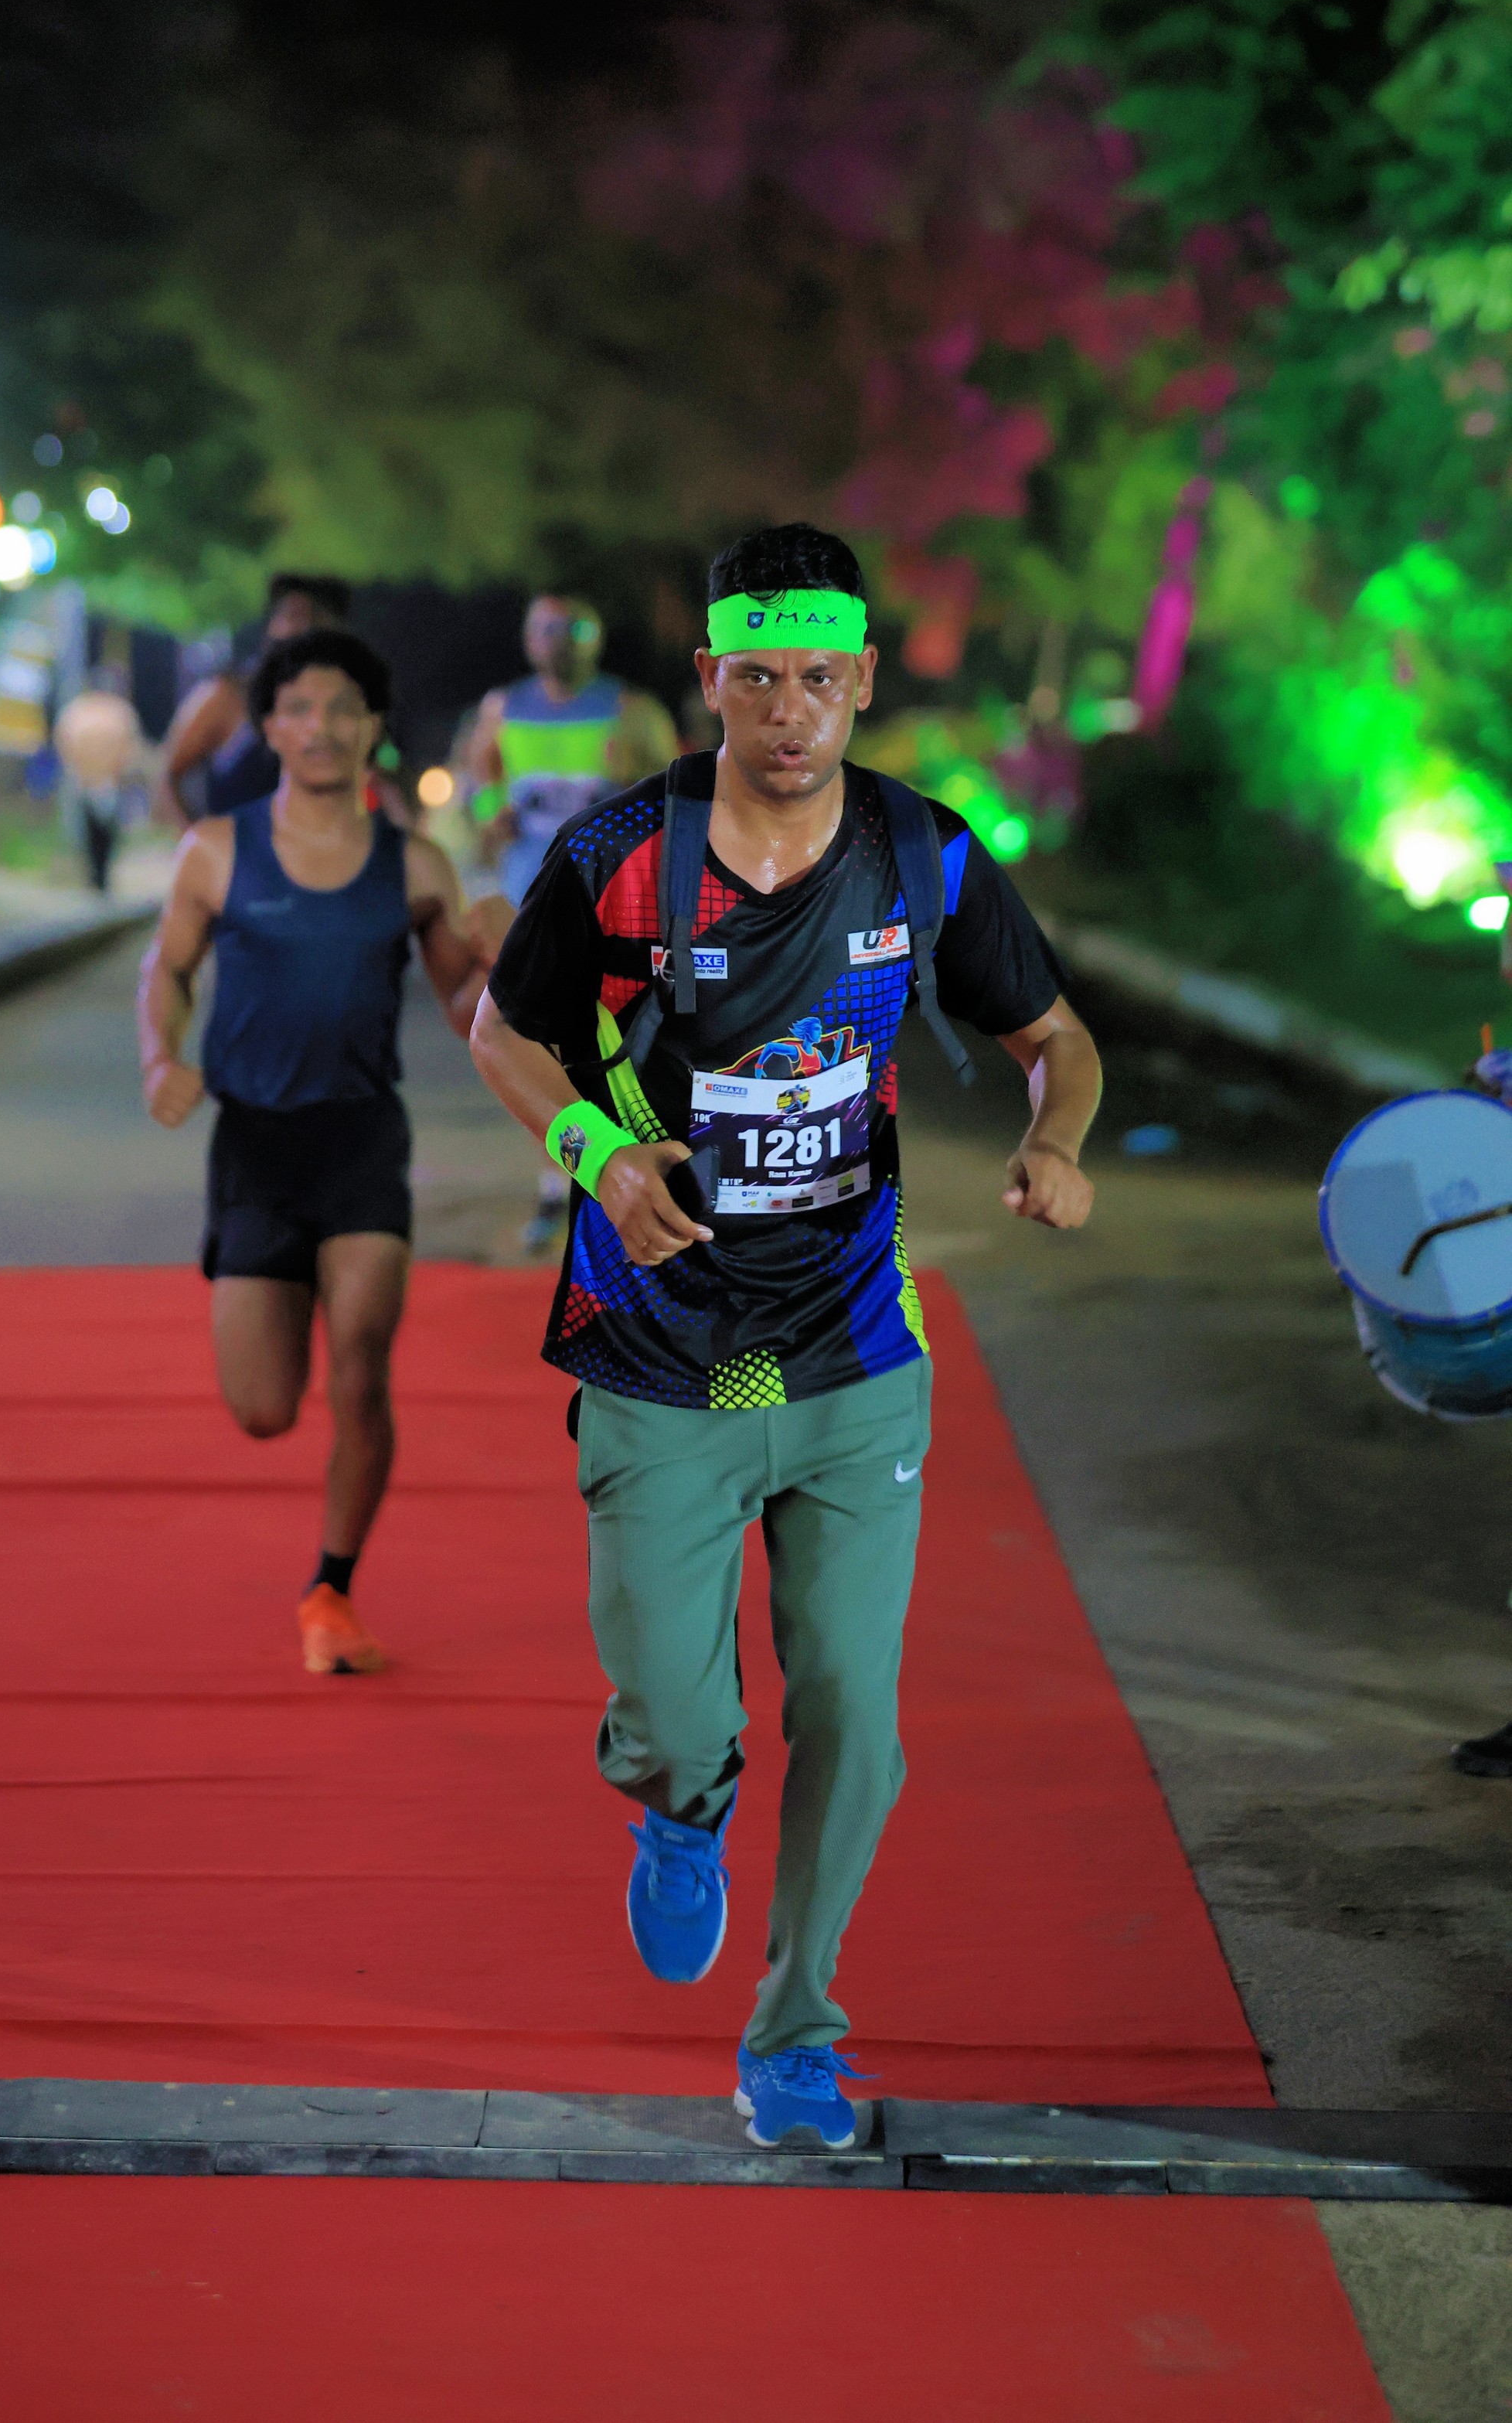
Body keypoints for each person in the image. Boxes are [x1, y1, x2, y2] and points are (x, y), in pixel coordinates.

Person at [470, 522, 1102, 2148]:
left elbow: (1053, 1035)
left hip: (851, 1356)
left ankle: (796, 2032)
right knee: (682, 1715)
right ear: (710, 679)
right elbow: (502, 1029)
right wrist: (597, 1156)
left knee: (856, 1721)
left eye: (819, 678)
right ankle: (680, 1801)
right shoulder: (619, 851)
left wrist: (1054, 1137)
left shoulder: (923, 854)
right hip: (655, 1346)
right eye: (756, 677)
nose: (788, 710)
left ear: (862, 683)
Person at [138, 625, 511, 1676]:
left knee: (360, 1364)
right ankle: (284, 1290)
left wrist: (499, 961)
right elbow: (165, 969)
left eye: (344, 709)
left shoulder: (415, 865)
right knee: (263, 1410)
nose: (322, 727)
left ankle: (331, 1592)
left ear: (373, 728)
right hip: (255, 1147)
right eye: (300, 708)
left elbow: (464, 1011)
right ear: (269, 727)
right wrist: (159, 1056)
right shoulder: (217, 850)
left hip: (360, 1139)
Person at [465, 593, 679, 1249]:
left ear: (598, 637)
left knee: (617, 1044)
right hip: (529, 893)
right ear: (529, 638)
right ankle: (561, 1184)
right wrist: (491, 813)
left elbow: (677, 793)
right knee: (537, 1045)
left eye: (575, 628)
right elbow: (476, 781)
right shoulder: (503, 708)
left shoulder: (631, 709)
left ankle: (624, 1173)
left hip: (613, 899)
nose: (561, 640)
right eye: (549, 628)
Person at [159, 574, 356, 825]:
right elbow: (167, 779)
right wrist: (196, 839)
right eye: (291, 614)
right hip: (240, 846)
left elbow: (379, 771)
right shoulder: (229, 696)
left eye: (316, 616)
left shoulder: (345, 707)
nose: (302, 627)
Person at [53, 677, 148, 893]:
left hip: (100, 780)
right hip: (96, 780)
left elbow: (64, 741)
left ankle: (99, 876)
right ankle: (98, 876)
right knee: (97, 830)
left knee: (101, 830)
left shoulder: (84, 711)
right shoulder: (109, 711)